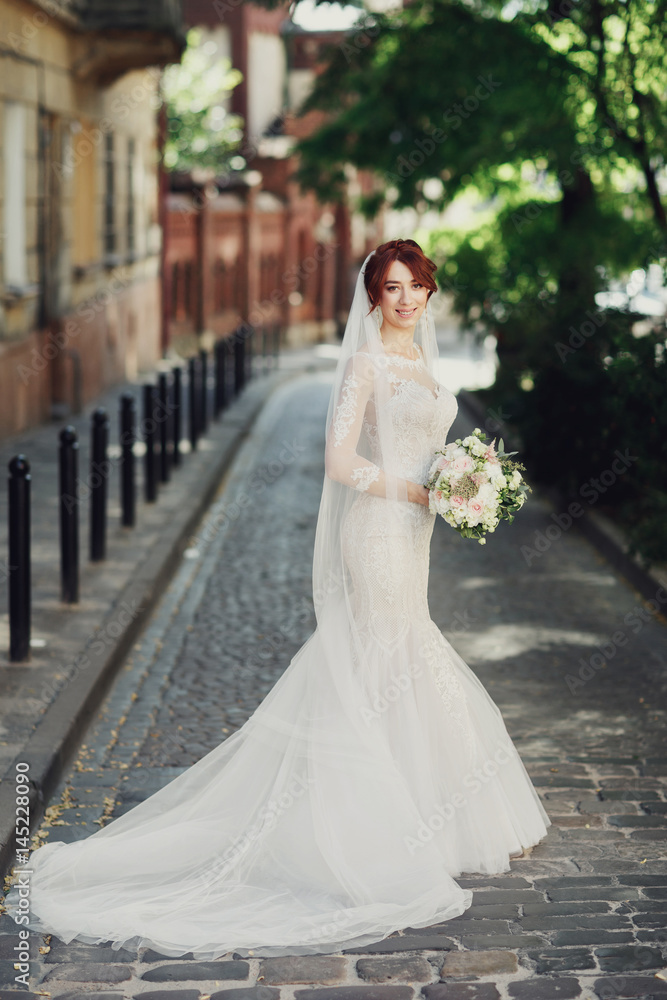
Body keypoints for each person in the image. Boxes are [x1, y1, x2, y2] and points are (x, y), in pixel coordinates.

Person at [3, 239, 549, 960]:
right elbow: (339, 459)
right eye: (391, 288)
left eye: (415, 286)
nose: (406, 299)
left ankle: (416, 819)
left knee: (397, 653)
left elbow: (432, 448)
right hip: (379, 529)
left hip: (414, 532)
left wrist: (459, 482)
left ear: (429, 292)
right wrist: (419, 489)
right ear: (372, 297)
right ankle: (368, 833)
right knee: (381, 657)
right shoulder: (365, 364)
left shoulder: (422, 360)